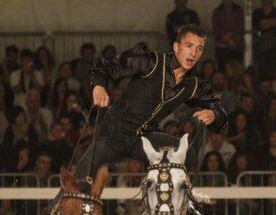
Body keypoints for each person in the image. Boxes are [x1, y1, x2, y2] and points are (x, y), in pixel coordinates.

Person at [83, 24, 227, 179]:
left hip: (143, 140)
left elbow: (219, 111)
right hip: (113, 134)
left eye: (199, 48)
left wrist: (213, 114)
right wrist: (98, 86)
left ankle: (167, 192)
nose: (193, 53)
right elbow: (106, 64)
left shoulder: (194, 85)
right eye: (189, 46)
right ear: (176, 47)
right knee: (80, 183)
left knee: (187, 155)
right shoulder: (151, 62)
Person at [252, 0, 276, 81]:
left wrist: (265, 23)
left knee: (273, 68)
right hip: (261, 45)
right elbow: (259, 26)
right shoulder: (257, 12)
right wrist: (273, 22)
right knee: (261, 69)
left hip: (274, 44)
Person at [212, 0, 244, 71]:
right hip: (221, 46)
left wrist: (232, 36)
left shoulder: (239, 10)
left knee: (237, 69)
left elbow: (240, 26)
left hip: (236, 44)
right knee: (223, 69)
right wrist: (226, 38)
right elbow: (216, 28)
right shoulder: (217, 11)